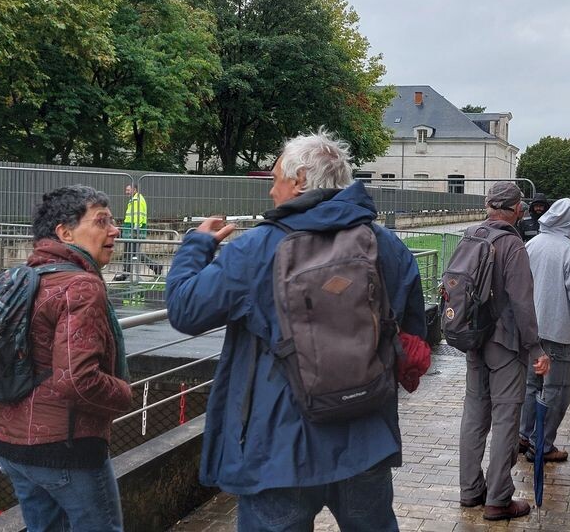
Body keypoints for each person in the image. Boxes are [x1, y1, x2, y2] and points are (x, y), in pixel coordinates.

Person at [165, 130, 427, 531]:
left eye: (275, 180)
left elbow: (186, 309)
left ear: (300, 180)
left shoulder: (255, 249)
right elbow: (411, 333)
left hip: (278, 451)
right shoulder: (385, 245)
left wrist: (196, 246)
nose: (272, 192)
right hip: (365, 438)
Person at [0, 185, 133, 532]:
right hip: (65, 448)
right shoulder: (81, 285)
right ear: (65, 233)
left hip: (11, 445)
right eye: (102, 222)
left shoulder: (27, 276)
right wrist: (124, 392)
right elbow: (76, 379)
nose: (114, 230)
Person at [459, 181, 550, 521]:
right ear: (515, 209)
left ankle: (470, 490)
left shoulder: (471, 235)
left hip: (473, 338)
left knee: (474, 417)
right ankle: (498, 499)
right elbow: (522, 303)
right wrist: (536, 348)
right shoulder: (512, 243)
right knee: (506, 420)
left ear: (488, 205)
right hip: (505, 344)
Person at [518, 198, 570, 463]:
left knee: (531, 385)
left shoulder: (531, 244)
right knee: (556, 390)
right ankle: (542, 443)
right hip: (557, 330)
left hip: (530, 329)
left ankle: (524, 434)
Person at [115, 184, 160, 281]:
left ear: (134, 189)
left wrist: (135, 228)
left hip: (134, 230)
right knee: (128, 251)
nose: (126, 192)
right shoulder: (134, 200)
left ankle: (155, 267)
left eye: (128, 190)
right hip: (129, 230)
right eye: (126, 190)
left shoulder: (137, 200)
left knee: (134, 252)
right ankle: (126, 273)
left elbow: (139, 215)